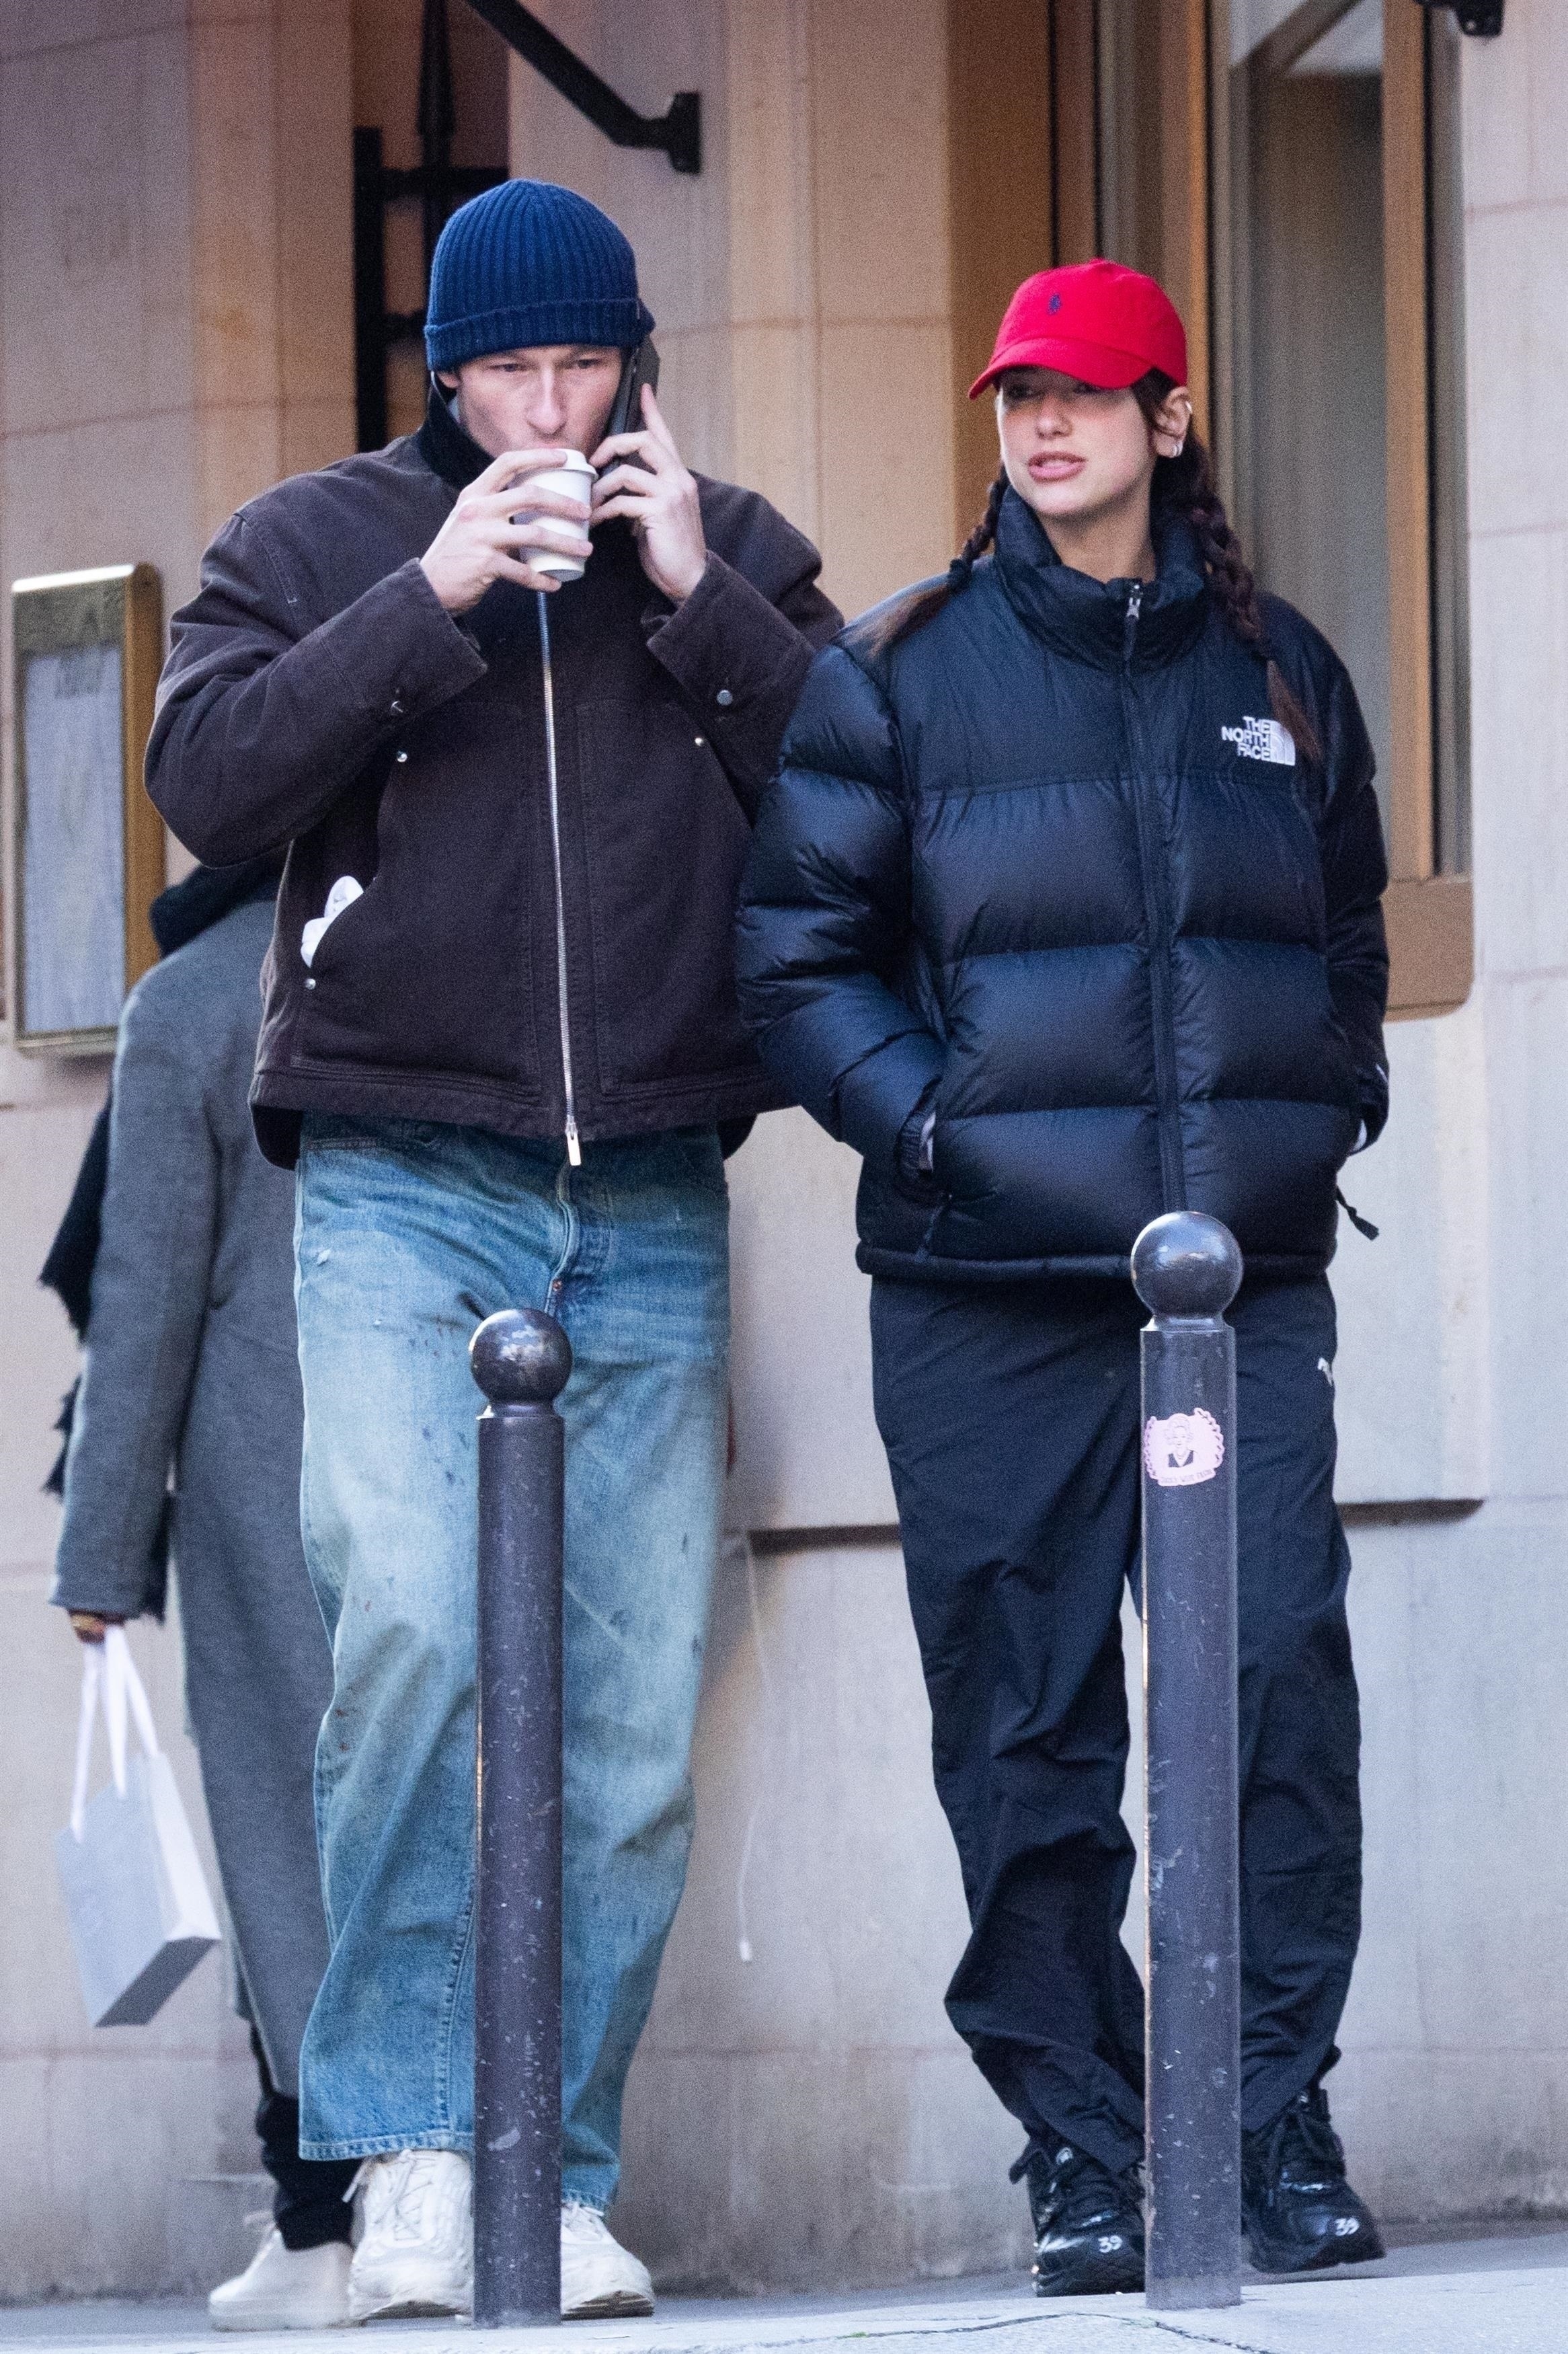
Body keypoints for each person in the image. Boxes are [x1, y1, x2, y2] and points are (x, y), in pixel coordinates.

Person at [145, 178, 840, 2324]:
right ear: (443, 375)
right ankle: (413, 2160)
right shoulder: (306, 544)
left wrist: (698, 594)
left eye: (587, 364)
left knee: (629, 1724)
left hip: (643, 1180)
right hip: (394, 1165)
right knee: (419, 1639)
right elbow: (203, 782)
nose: (551, 407)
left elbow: (856, 794)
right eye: (509, 372)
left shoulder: (731, 543)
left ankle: (557, 2162)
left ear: (636, 356)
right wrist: (430, 599)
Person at [736, 260, 1390, 2296]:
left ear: (1168, 420)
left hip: (1233, 1290)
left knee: (1272, 1680)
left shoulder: (1281, 676)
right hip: (980, 1290)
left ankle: (1266, 2104)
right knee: (1023, 1724)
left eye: (1089, 395)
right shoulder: (895, 674)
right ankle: (1085, 2141)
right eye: (1019, 393)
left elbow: (1347, 943)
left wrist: (1326, 1109)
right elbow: (794, 966)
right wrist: (937, 1125)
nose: (1045, 425)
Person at [47, 859, 360, 2331]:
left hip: (260, 1476)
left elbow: (145, 1301)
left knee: (278, 1837)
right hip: (470, 1453)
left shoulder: (188, 1002)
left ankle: (320, 2220)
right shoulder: (432, 954)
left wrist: (101, 1562)